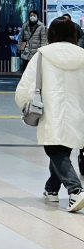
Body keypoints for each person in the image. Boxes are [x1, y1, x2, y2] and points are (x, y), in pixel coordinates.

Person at [15, 17, 84, 212]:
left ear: (50, 34)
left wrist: (24, 103)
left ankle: (75, 190)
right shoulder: (82, 55)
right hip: (76, 112)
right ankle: (51, 190)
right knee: (63, 150)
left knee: (54, 151)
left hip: (50, 112)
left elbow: (26, 87)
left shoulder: (42, 56)